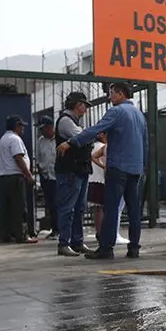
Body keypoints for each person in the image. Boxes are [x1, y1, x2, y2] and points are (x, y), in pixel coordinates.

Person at [59, 82, 147, 260]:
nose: (109, 97)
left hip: (118, 167)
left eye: (111, 93)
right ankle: (134, 248)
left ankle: (106, 248)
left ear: (121, 94)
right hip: (135, 168)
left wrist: (71, 142)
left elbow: (95, 130)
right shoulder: (139, 115)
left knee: (111, 208)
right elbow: (145, 143)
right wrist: (141, 165)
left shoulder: (117, 111)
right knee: (134, 210)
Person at [54, 91, 94, 256]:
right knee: (68, 208)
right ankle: (64, 243)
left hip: (79, 170)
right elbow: (83, 138)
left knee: (79, 209)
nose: (85, 109)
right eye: (84, 105)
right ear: (78, 105)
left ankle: (77, 242)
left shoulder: (74, 122)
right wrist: (89, 136)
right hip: (70, 171)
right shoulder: (66, 121)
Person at [0, 115, 37, 244]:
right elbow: (18, 158)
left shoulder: (3, 139)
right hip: (15, 177)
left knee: (7, 208)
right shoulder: (15, 139)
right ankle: (22, 235)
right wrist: (28, 174)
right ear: (16, 126)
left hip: (5, 177)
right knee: (19, 208)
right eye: (21, 126)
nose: (23, 129)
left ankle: (5, 235)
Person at [35, 116, 58, 238]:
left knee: (60, 204)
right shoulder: (40, 141)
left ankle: (60, 229)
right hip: (46, 177)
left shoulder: (59, 139)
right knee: (50, 204)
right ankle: (54, 229)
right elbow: (38, 159)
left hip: (58, 177)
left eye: (44, 129)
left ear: (50, 128)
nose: (42, 132)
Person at [89, 132, 108, 244]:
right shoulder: (102, 147)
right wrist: (104, 166)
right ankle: (102, 232)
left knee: (97, 209)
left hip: (92, 179)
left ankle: (98, 231)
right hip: (101, 180)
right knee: (102, 209)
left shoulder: (93, 146)